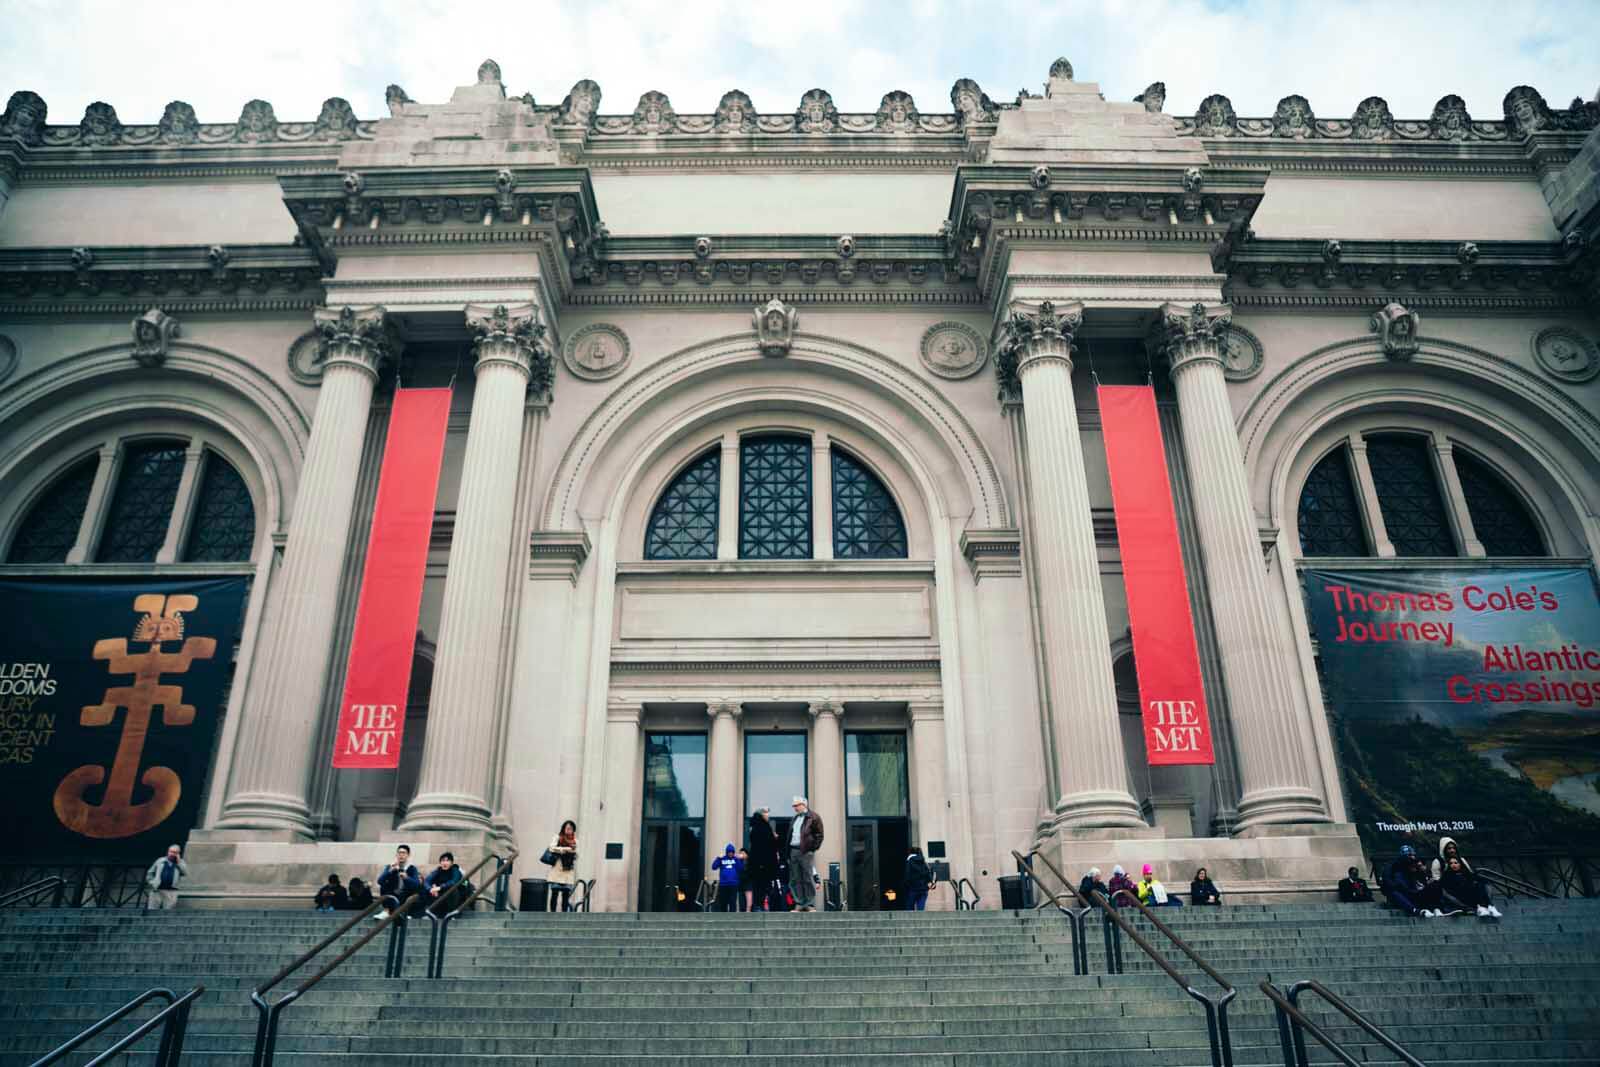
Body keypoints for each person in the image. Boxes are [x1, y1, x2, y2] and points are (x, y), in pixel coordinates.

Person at [1382, 844, 1445, 917]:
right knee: (1395, 893)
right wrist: (1399, 886)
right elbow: (1388, 882)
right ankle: (1415, 910)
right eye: (1409, 855)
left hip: (1415, 893)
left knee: (1435, 885)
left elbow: (1423, 882)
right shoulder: (1393, 867)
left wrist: (1421, 870)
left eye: (1413, 855)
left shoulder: (1415, 866)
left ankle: (1436, 909)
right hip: (1402, 894)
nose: (1412, 858)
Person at [787, 796, 824, 913]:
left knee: (807, 877)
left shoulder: (813, 817)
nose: (794, 808)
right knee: (795, 878)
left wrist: (812, 848)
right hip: (793, 850)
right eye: (793, 806)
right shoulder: (794, 819)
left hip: (805, 851)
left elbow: (819, 834)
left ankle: (809, 904)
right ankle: (799, 903)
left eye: (796, 805)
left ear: (804, 804)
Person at [375, 844, 423, 919]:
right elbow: (380, 881)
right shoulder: (391, 866)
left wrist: (406, 878)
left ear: (408, 855)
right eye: (399, 853)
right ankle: (386, 911)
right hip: (393, 896)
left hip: (405, 896)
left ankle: (406, 912)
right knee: (384, 885)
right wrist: (389, 871)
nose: (401, 855)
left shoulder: (412, 868)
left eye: (403, 853)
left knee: (416, 890)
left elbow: (417, 885)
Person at [747, 808, 780, 912]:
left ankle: (759, 905)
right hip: (762, 863)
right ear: (761, 815)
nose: (768, 815)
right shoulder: (762, 827)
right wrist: (774, 839)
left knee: (760, 885)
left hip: (759, 862)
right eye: (766, 813)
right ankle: (758, 905)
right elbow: (765, 846)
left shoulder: (756, 827)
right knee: (761, 885)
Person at [547, 820, 578, 912]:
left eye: (571, 829)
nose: (569, 830)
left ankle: (564, 914)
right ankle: (552, 913)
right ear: (564, 828)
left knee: (565, 894)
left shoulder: (575, 841)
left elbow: (577, 853)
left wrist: (573, 852)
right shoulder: (557, 837)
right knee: (555, 893)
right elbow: (551, 848)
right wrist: (564, 849)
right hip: (558, 868)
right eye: (567, 828)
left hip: (568, 870)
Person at [145, 844, 188, 910]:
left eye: (174, 852)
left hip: (171, 891)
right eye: (170, 851)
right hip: (157, 889)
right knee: (152, 909)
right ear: (168, 851)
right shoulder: (160, 860)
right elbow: (150, 873)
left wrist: (178, 862)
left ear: (178, 854)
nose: (171, 854)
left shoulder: (180, 862)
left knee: (168, 910)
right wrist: (152, 882)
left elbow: (185, 873)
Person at [710, 843, 743, 912]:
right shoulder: (722, 859)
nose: (730, 853)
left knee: (732, 902)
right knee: (723, 902)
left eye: (732, 852)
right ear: (727, 852)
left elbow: (740, 869)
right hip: (723, 884)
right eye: (729, 852)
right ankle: (723, 917)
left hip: (733, 884)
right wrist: (718, 858)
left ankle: (732, 918)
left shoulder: (736, 859)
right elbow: (714, 867)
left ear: (733, 852)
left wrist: (738, 859)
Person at [903, 845, 933, 911]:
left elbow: (907, 875)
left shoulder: (909, 861)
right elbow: (928, 874)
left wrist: (907, 885)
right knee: (921, 909)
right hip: (923, 888)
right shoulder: (923, 861)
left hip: (913, 888)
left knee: (909, 907)